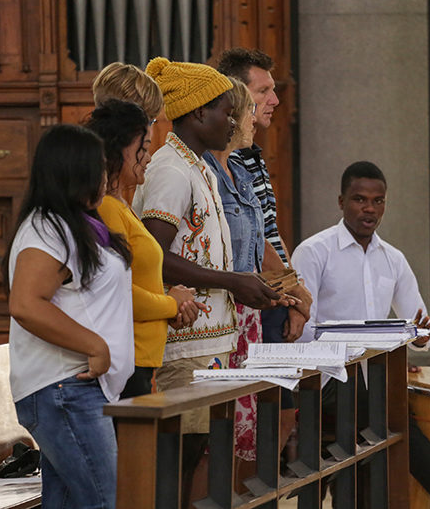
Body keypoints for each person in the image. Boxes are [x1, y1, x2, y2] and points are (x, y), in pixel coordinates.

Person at [132, 57, 293, 504]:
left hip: (210, 343)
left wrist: (247, 283)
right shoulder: (171, 169)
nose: (234, 122)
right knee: (179, 465)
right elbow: (154, 258)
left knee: (200, 458)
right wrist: (232, 282)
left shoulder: (199, 167)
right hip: (184, 343)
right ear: (199, 112)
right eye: (226, 111)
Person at [291, 161, 430, 509]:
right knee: (386, 410)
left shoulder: (393, 259)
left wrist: (419, 337)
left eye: (378, 201)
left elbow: (423, 328)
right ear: (341, 201)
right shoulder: (314, 252)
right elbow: (303, 334)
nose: (369, 209)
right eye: (359, 199)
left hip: (379, 379)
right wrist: (360, 353)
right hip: (326, 380)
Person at [4, 124, 134, 508]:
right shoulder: (47, 228)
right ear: (74, 170)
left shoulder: (77, 224)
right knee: (106, 501)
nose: (106, 176)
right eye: (99, 167)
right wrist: (95, 346)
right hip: (64, 388)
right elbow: (26, 303)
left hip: (73, 389)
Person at [217, 47, 312, 451]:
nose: (275, 100)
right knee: (261, 420)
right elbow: (252, 243)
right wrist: (295, 291)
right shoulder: (224, 160)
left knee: (282, 414)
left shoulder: (250, 156)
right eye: (263, 91)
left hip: (273, 293)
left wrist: (293, 291)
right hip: (251, 297)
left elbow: (268, 231)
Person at [85, 98, 201, 399]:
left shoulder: (120, 205)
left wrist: (173, 303)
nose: (148, 158)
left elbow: (137, 279)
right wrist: (171, 304)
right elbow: (115, 290)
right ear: (122, 149)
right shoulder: (106, 208)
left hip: (140, 357)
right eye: (144, 148)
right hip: (126, 356)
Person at [203, 77, 265, 465]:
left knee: (245, 434)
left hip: (248, 312)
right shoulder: (204, 171)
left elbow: (258, 243)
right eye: (248, 112)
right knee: (214, 436)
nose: (254, 119)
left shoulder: (240, 171)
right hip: (220, 309)